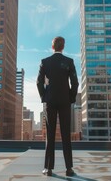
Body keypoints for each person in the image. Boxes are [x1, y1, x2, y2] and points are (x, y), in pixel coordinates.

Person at [37, 36, 79, 177]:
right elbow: (75, 83)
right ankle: (69, 169)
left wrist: (45, 96)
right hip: (65, 101)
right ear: (63, 46)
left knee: (50, 134)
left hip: (51, 101)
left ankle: (49, 169)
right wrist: (71, 98)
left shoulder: (45, 62)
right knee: (66, 135)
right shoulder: (69, 62)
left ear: (52, 46)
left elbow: (38, 82)